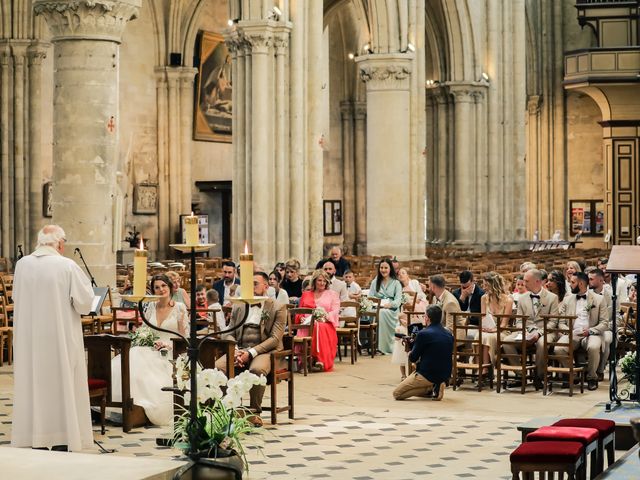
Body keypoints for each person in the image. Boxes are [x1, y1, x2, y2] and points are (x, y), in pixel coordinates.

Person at [12, 225, 95, 451]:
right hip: (60, 339)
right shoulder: (66, 265)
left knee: (33, 384)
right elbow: (85, 304)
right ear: (60, 243)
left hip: (30, 340)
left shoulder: (22, 265)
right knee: (61, 385)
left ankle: (34, 437)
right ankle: (62, 437)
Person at [111, 274, 189, 426]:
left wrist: (168, 346)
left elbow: (183, 338)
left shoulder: (179, 308)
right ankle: (132, 406)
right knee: (133, 357)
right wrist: (146, 339)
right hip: (151, 347)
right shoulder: (151, 306)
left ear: (170, 287)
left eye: (163, 286)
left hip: (172, 350)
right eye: (157, 287)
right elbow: (145, 329)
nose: (161, 290)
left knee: (150, 369)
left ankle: (149, 407)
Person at [216, 272, 287, 426]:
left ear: (266, 286)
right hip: (239, 348)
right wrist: (234, 349)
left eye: (255, 283)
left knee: (257, 370)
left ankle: (254, 412)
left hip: (265, 351)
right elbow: (228, 332)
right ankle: (231, 409)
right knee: (218, 368)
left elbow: (275, 338)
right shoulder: (239, 305)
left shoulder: (278, 307)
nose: (251, 287)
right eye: (249, 284)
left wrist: (250, 353)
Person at [502, 269, 559, 387]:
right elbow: (518, 320)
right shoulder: (522, 298)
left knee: (542, 344)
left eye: (527, 281)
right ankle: (520, 375)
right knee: (507, 342)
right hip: (526, 330)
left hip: (545, 331)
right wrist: (524, 331)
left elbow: (553, 322)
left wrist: (538, 333)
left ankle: (539, 376)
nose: (524, 283)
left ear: (537, 281)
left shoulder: (552, 298)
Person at [558, 272, 608, 390]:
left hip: (592, 332)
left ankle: (592, 377)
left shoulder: (599, 299)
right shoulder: (567, 299)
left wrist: (590, 330)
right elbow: (561, 322)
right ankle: (573, 375)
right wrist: (568, 330)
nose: (570, 285)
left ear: (580, 283)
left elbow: (604, 323)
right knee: (559, 348)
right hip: (573, 333)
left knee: (594, 347)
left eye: (572, 282)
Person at [393, 305, 453, 401]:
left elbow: (413, 358)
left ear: (427, 318)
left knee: (397, 394)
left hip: (427, 373)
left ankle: (431, 388)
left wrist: (409, 351)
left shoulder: (424, 333)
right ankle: (435, 387)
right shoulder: (448, 333)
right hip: (445, 374)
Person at [296, 269, 341, 372]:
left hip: (326, 323)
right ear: (314, 281)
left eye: (324, 281)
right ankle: (306, 361)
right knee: (312, 326)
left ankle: (317, 359)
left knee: (318, 326)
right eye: (320, 280)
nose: (322, 283)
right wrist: (301, 317)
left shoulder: (332, 294)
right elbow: (299, 311)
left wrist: (324, 317)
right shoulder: (306, 294)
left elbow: (335, 310)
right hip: (307, 323)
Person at [393, 268, 429, 380]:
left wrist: (415, 298)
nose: (401, 275)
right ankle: (403, 373)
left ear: (408, 275)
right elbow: (400, 307)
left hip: (418, 315)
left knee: (415, 333)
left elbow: (422, 297)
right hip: (406, 317)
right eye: (399, 274)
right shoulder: (399, 288)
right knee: (400, 332)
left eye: (403, 273)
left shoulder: (414, 283)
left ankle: (415, 369)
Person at [477, 272, 513, 367]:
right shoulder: (484, 298)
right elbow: (483, 318)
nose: (484, 288)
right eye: (483, 285)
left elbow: (504, 324)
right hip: (488, 330)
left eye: (486, 285)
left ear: (494, 286)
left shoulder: (508, 300)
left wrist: (494, 330)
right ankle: (482, 367)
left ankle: (485, 368)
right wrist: (485, 328)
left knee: (487, 338)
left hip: (502, 331)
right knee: (479, 336)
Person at [369, 259, 403, 355]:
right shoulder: (375, 282)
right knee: (373, 313)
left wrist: (390, 305)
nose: (383, 270)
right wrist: (376, 304)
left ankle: (383, 347)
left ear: (390, 269)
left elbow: (398, 300)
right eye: (381, 267)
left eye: (386, 268)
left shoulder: (396, 283)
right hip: (377, 307)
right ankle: (371, 345)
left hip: (391, 310)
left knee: (382, 313)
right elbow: (370, 297)